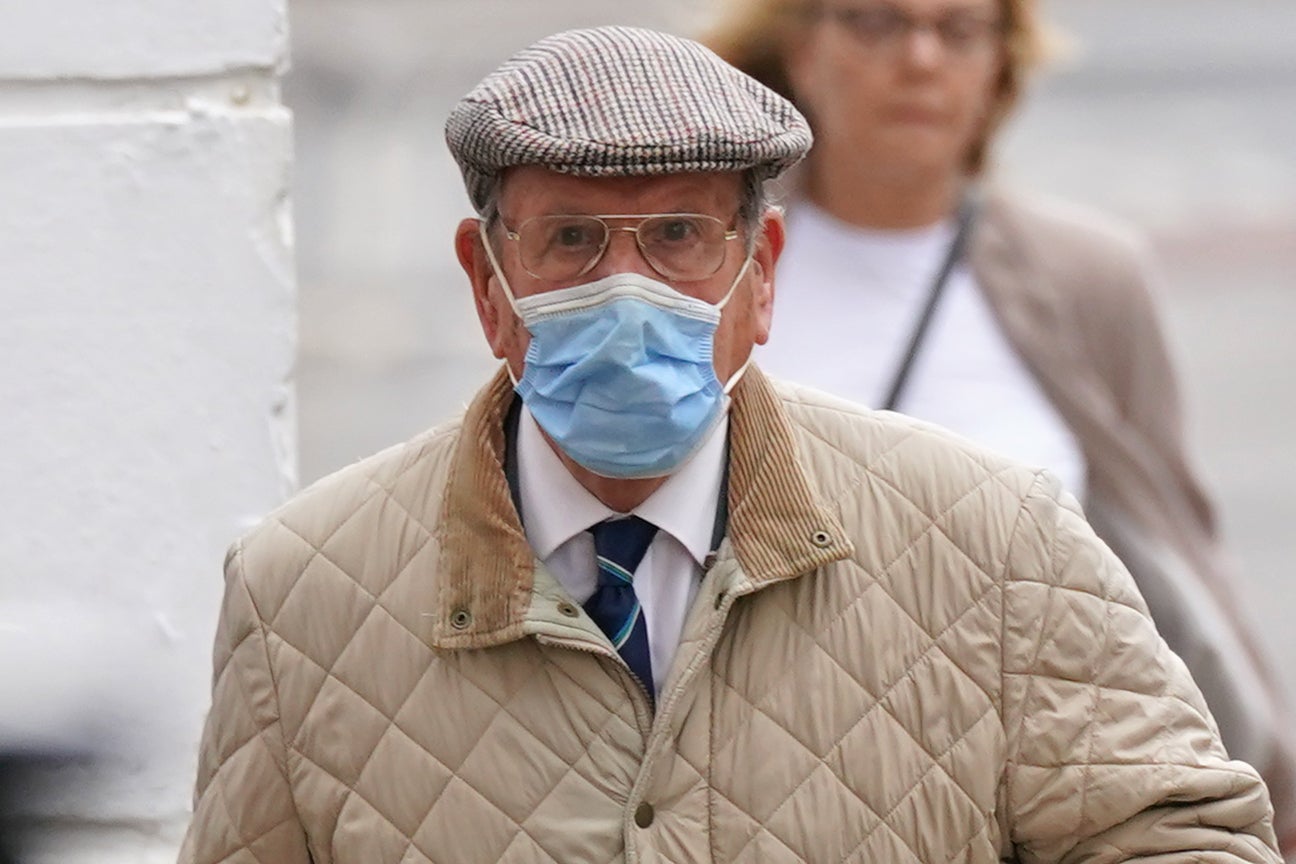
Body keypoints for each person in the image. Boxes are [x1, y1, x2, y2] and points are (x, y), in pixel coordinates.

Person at [177, 25, 1283, 863]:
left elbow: (1181, 836)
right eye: (570, 239)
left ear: (763, 275)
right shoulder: (301, 595)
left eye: (678, 236)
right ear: (487, 283)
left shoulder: (993, 540)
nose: (627, 290)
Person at [702, 0, 1296, 850]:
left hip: (1018, 792)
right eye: (876, 22)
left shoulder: (1086, 275)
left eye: (957, 30)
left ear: (999, 66)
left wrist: (1268, 768)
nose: (919, 58)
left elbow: (1175, 544)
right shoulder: (708, 257)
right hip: (765, 783)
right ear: (801, 46)